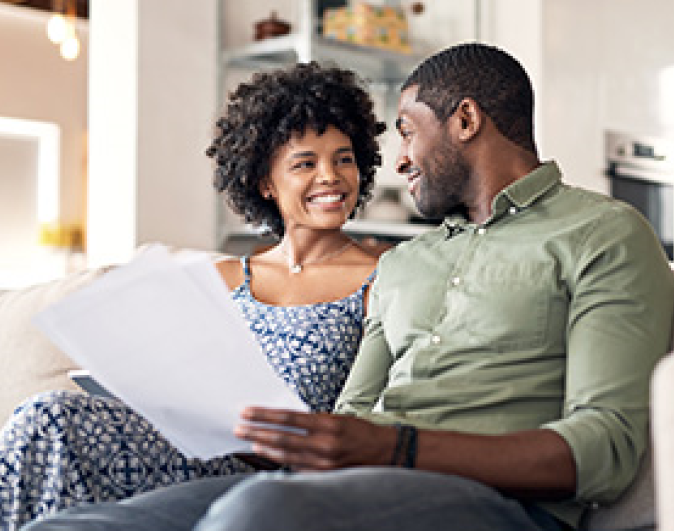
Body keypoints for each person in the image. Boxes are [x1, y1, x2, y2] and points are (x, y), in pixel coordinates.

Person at [22, 42, 674, 531]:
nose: (396, 160)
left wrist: (393, 447)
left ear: (466, 121)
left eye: (407, 132)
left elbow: (605, 449)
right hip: (349, 485)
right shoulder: (405, 265)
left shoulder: (604, 234)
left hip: (501, 506)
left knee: (260, 513)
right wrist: (276, 435)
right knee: (76, 525)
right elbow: (352, 421)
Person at [0, 61, 386, 530]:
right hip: (187, 447)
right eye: (306, 163)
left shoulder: (379, 278)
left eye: (343, 159)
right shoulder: (223, 276)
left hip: (270, 469)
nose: (330, 176)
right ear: (265, 182)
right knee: (44, 414)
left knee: (52, 419)